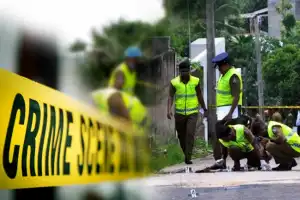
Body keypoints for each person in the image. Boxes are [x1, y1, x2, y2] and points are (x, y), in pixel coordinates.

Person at [167, 58, 207, 164]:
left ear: (189, 70)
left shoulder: (195, 81)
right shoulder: (174, 82)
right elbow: (170, 96)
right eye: (182, 72)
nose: (184, 73)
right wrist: (169, 109)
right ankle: (186, 153)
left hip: (193, 113)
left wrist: (204, 108)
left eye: (186, 71)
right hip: (179, 113)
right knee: (181, 135)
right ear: (180, 72)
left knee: (190, 134)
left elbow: (199, 95)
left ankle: (188, 157)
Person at [210, 52, 243, 165]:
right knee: (222, 136)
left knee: (229, 135)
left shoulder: (233, 75)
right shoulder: (224, 75)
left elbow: (236, 96)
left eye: (220, 66)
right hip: (223, 110)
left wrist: (230, 113)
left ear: (226, 64)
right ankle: (222, 160)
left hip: (230, 111)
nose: (219, 69)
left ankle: (230, 161)